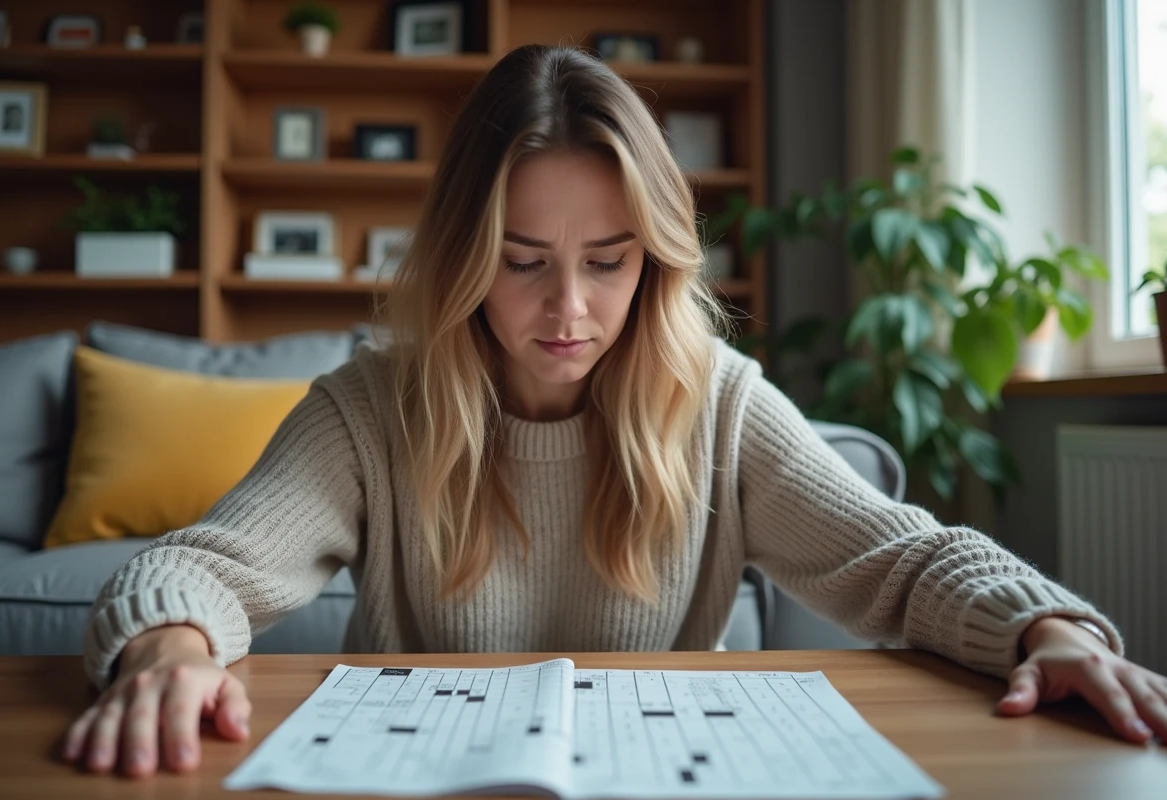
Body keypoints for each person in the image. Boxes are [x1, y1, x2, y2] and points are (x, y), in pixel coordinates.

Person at [63, 44, 1167, 778]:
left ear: (659, 258)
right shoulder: (371, 406)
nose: (570, 308)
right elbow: (204, 563)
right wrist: (168, 644)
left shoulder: (721, 404)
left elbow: (905, 560)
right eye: (524, 260)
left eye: (610, 259)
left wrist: (1048, 626)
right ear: (461, 257)